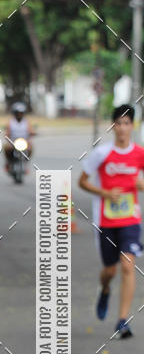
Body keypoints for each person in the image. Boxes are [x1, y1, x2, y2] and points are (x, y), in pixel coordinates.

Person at [78, 103, 144, 338]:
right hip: (106, 220)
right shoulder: (102, 154)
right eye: (119, 123)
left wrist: (141, 184)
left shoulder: (139, 153)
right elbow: (82, 181)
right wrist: (105, 193)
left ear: (132, 126)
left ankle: (122, 320)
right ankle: (105, 289)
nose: (123, 128)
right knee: (109, 270)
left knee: (127, 264)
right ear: (113, 126)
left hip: (130, 219)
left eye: (127, 123)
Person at [3, 101, 35, 170]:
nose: (19, 115)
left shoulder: (26, 122)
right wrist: (7, 135)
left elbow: (31, 130)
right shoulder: (11, 122)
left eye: (21, 113)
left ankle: (26, 162)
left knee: (30, 148)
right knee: (6, 148)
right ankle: (8, 162)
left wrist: (33, 133)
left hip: (24, 142)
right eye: (18, 113)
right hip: (13, 142)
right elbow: (7, 132)